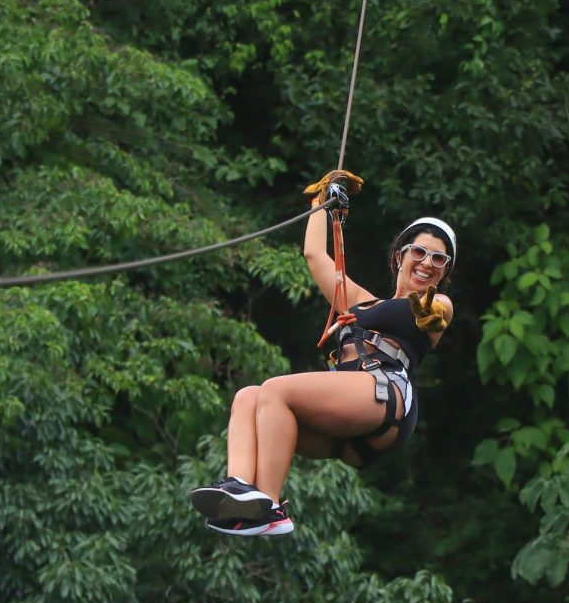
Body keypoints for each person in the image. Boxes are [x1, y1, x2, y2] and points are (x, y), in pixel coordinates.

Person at [188, 172, 456, 536]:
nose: (427, 263)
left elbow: (440, 314)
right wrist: (321, 205)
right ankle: (240, 490)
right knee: (249, 397)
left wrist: (433, 315)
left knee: (276, 390)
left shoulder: (436, 303)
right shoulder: (360, 301)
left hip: (385, 395)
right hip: (350, 422)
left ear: (444, 272)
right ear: (400, 256)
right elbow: (314, 254)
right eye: (420, 252)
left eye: (438, 260)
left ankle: (270, 504)